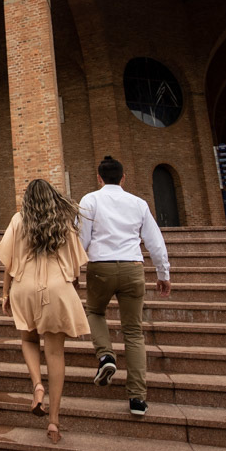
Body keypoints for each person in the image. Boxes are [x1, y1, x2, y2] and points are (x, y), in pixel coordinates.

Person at [0, 179, 89, 443]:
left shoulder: (18, 220)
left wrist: (4, 293)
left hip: (23, 286)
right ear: (52, 198)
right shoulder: (63, 221)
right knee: (55, 353)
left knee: (28, 339)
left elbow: (8, 262)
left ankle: (37, 384)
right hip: (56, 286)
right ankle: (54, 422)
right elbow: (74, 265)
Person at [78, 156, 172, 417]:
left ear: (99, 178)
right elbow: (155, 241)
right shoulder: (138, 203)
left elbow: (81, 238)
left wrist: (73, 270)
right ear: (123, 177)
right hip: (132, 267)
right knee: (133, 332)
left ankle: (106, 355)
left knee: (95, 312)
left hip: (101, 268)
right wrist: (163, 273)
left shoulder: (90, 200)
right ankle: (137, 398)